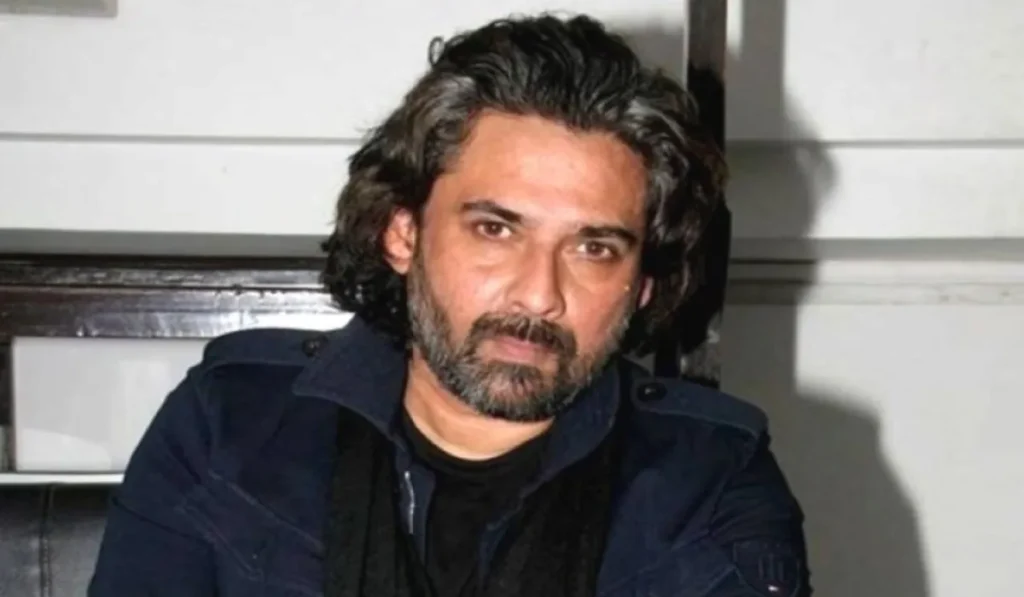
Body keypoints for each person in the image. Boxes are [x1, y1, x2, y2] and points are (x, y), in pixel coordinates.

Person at [89, 13, 810, 597]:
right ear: (403, 234)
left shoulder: (710, 479)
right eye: (496, 230)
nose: (539, 293)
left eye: (593, 248)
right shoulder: (229, 425)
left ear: (642, 284)